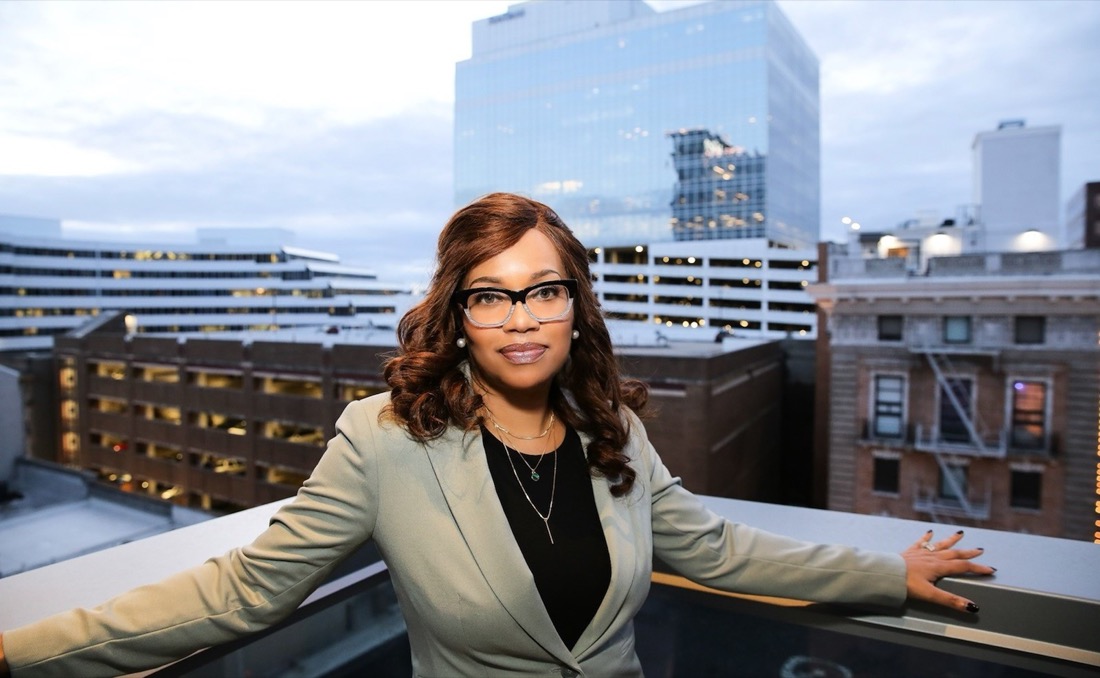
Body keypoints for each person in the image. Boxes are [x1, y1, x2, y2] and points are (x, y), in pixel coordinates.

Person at [0, 193, 993, 677]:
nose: (521, 319)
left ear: (574, 306)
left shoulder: (612, 432)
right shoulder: (382, 439)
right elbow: (241, 591)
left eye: (543, 291)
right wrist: (28, 648)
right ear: (457, 313)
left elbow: (717, 549)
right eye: (491, 295)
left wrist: (883, 573)